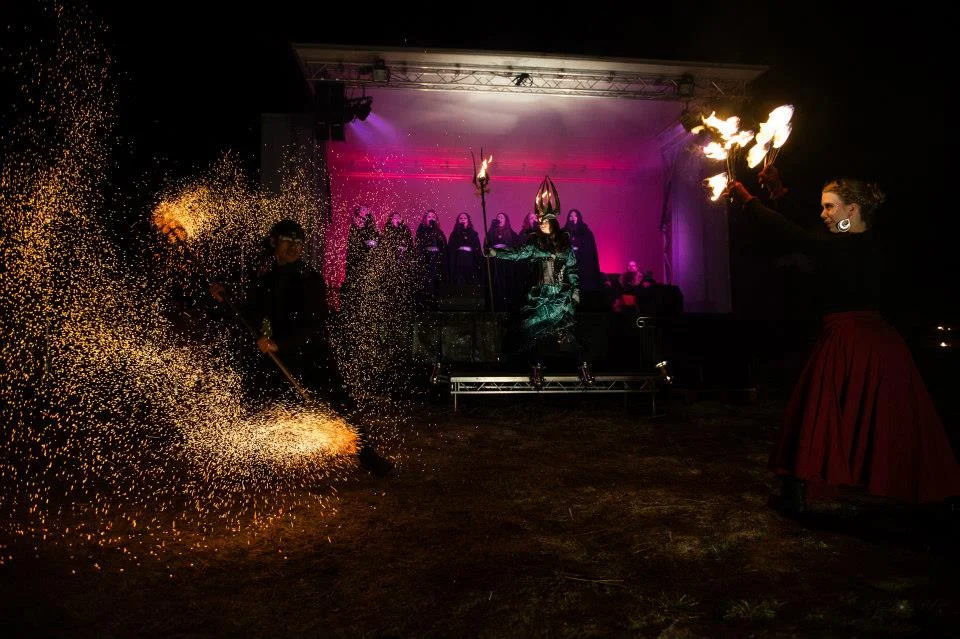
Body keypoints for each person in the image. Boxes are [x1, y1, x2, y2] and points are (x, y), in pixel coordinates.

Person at [725, 177, 960, 515]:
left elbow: (797, 235)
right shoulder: (867, 242)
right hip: (882, 342)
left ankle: (798, 490)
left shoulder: (844, 246)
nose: (823, 213)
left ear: (852, 208)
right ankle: (937, 499)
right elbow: (810, 230)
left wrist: (748, 200)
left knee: (814, 412)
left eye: (829, 206)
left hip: (849, 340)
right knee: (891, 414)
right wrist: (777, 189)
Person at [212, 219, 392, 477]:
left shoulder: (310, 279)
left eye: (298, 243)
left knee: (340, 405)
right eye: (287, 241)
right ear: (274, 242)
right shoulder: (265, 278)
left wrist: (278, 342)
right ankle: (261, 462)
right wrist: (224, 298)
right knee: (263, 402)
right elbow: (252, 313)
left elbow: (315, 326)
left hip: (312, 354)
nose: (293, 248)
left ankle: (366, 455)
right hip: (280, 354)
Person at [487, 177, 593, 388]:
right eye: (540, 221)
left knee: (568, 333)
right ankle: (536, 369)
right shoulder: (535, 244)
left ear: (553, 223)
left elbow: (572, 269)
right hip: (540, 296)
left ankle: (584, 368)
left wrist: (575, 291)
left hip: (561, 296)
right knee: (536, 333)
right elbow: (517, 253)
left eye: (545, 221)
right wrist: (495, 252)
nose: (542, 224)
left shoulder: (565, 246)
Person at [484, 212, 520, 312]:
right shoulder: (492, 232)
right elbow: (487, 243)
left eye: (501, 217)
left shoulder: (511, 233)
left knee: (506, 279)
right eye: (498, 217)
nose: (499, 218)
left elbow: (516, 245)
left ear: (505, 220)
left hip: (506, 260)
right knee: (496, 279)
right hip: (495, 259)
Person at [413, 209, 447, 310]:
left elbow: (444, 244)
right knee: (426, 280)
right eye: (429, 217)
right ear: (425, 219)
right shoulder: (421, 229)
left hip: (436, 258)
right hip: (426, 258)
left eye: (433, 217)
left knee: (436, 280)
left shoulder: (439, 231)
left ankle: (436, 304)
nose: (431, 218)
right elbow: (419, 242)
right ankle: (425, 304)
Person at [563, 209, 603, 292]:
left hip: (582, 266)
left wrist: (579, 248)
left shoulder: (586, 232)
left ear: (579, 217)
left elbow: (590, 250)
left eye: (575, 215)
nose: (573, 217)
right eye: (571, 216)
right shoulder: (564, 232)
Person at [446, 212, 482, 287]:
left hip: (470, 259)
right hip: (458, 259)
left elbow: (477, 247)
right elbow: (451, 247)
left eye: (465, 218)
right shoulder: (454, 233)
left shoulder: (473, 233)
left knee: (470, 278)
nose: (463, 220)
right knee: (459, 279)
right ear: (458, 221)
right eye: (461, 218)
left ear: (468, 220)